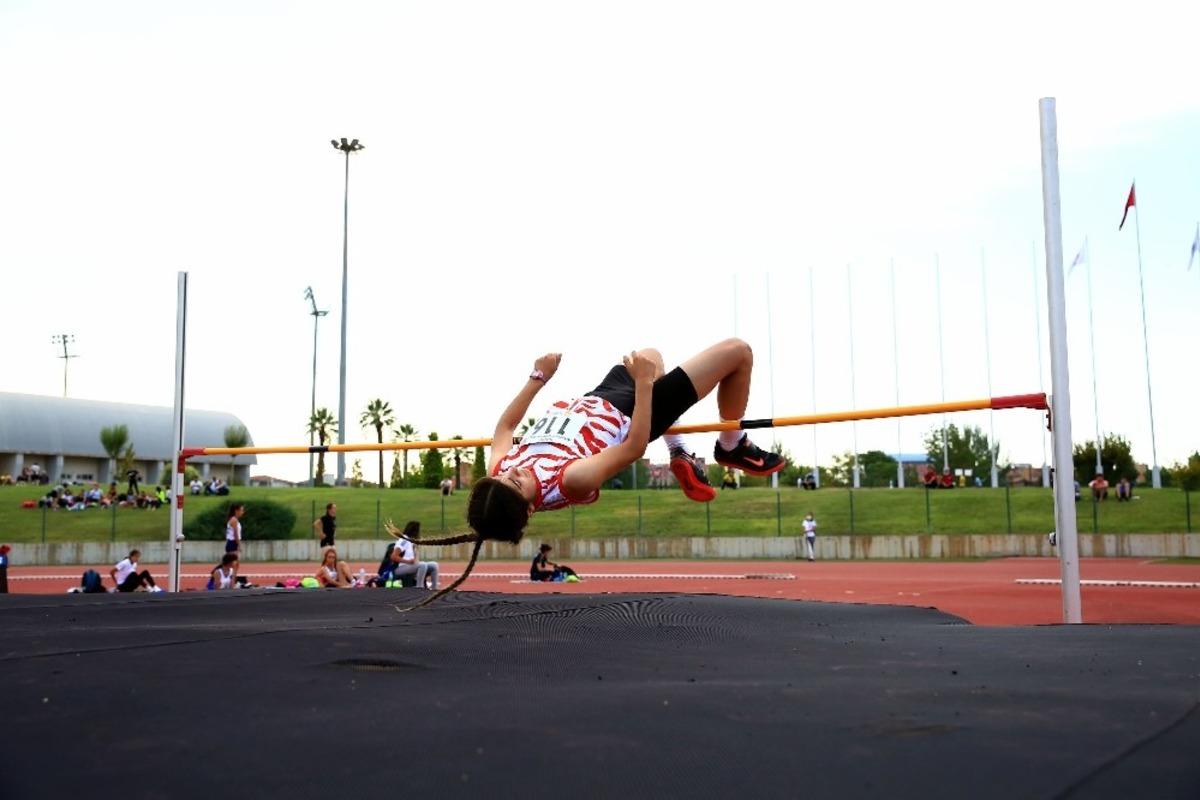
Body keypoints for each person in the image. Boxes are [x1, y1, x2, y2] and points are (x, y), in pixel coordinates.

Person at [474, 340, 784, 535]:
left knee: (651, 353)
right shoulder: (569, 480)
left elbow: (504, 429)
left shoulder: (498, 476)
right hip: (634, 412)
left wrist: (538, 377)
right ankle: (732, 445)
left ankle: (679, 449)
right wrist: (644, 385)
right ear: (530, 509)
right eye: (516, 483)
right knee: (737, 353)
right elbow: (633, 447)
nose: (511, 472)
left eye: (503, 477)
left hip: (598, 397)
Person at [386, 521, 439, 589]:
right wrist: (408, 561)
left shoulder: (412, 541)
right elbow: (393, 556)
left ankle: (435, 588)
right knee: (422, 565)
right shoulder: (404, 540)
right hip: (400, 568)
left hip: (410, 567)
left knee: (434, 565)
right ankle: (419, 587)